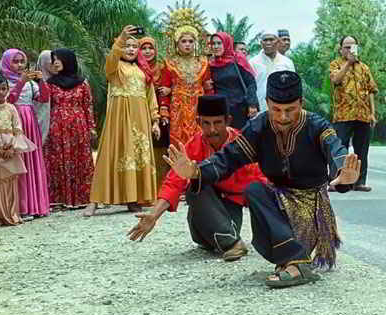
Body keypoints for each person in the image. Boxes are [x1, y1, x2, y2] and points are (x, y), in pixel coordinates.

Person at [164, 71, 360, 288]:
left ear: (301, 103)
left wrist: (344, 174)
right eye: (276, 109)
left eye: (290, 110)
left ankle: (296, 263)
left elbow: (336, 150)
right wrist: (195, 171)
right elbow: (228, 158)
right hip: (278, 205)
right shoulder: (259, 127)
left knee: (260, 193)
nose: (283, 117)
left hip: (310, 209)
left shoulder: (318, 126)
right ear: (267, 103)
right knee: (255, 190)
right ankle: (293, 260)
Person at [127, 95, 267, 261]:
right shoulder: (194, 145)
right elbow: (174, 181)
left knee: (206, 191)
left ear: (228, 121)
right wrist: (153, 215)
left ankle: (231, 242)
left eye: (217, 123)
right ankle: (229, 241)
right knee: (196, 185)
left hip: (230, 212)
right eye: (206, 123)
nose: (212, 130)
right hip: (201, 219)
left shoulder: (241, 145)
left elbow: (262, 184)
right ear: (199, 122)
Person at [85, 26, 161, 217]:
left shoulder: (143, 71)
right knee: (111, 153)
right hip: (119, 116)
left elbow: (150, 96)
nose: (130, 50)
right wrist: (122, 38)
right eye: (126, 46)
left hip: (141, 117)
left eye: (134, 47)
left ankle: (134, 198)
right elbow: (110, 59)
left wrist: (155, 120)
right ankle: (95, 201)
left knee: (137, 154)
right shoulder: (115, 67)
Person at [0, 48, 51, 219]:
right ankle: (21, 207)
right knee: (19, 163)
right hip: (14, 122)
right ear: (7, 62)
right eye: (15, 61)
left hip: (30, 122)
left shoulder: (30, 83)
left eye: (22, 61)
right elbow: (10, 100)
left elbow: (44, 98)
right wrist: (21, 81)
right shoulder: (3, 81)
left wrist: (42, 81)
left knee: (32, 163)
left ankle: (36, 205)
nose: (20, 65)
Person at [42, 49, 96, 209]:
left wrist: (92, 127)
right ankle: (60, 199)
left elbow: (88, 105)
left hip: (79, 126)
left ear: (68, 60)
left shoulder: (82, 83)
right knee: (58, 160)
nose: (55, 63)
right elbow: (44, 103)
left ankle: (82, 198)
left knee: (80, 160)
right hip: (57, 126)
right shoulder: (50, 83)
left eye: (58, 59)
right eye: (53, 60)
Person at [0, 75, 36, 228]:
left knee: (9, 182)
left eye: (4, 89)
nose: (1, 92)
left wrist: (13, 147)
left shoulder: (11, 108)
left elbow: (18, 129)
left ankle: (11, 214)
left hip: (9, 150)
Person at [156, 9, 213, 149]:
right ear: (177, 43)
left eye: (191, 41)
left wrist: (211, 111)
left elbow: (209, 89)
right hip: (178, 110)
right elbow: (163, 90)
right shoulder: (169, 64)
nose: (187, 44)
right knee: (178, 144)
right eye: (183, 41)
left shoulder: (203, 62)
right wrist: (164, 112)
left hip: (199, 108)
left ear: (195, 43)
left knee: (201, 142)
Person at [329, 35, 377, 192]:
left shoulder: (364, 68)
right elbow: (335, 80)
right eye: (346, 47)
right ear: (340, 49)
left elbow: (371, 90)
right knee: (339, 147)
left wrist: (372, 113)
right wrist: (348, 63)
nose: (350, 50)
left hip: (363, 115)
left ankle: (359, 182)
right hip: (343, 114)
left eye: (353, 47)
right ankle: (336, 181)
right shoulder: (336, 64)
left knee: (362, 150)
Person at [137, 37, 170, 190]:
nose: (148, 51)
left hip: (159, 110)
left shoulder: (162, 67)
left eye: (151, 48)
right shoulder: (135, 68)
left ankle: (160, 185)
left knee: (160, 146)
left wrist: (164, 113)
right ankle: (143, 187)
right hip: (138, 110)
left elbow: (168, 88)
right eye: (144, 48)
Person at [208, 32, 258, 130]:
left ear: (226, 43)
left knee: (240, 138)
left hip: (240, 108)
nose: (216, 46)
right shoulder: (211, 64)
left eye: (219, 43)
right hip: (221, 109)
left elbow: (251, 82)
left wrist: (252, 104)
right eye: (213, 44)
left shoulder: (238, 59)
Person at [250, 31, 295, 113]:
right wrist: (252, 105)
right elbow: (250, 87)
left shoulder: (287, 62)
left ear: (277, 42)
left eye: (271, 40)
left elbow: (293, 85)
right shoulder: (253, 62)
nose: (268, 43)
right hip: (261, 108)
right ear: (261, 43)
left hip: (283, 107)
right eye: (265, 40)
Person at [34, 50, 52, 144]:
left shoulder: (59, 81)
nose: (54, 64)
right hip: (38, 123)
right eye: (50, 62)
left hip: (54, 126)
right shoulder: (34, 83)